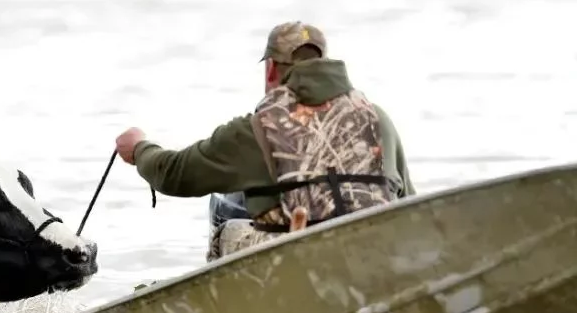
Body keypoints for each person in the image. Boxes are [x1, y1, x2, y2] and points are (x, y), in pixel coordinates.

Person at [114, 22, 416, 262]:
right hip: (379, 255)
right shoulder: (377, 118)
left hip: (302, 265)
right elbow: (409, 204)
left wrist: (139, 148)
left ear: (271, 68)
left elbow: (174, 174)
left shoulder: (258, 129)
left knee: (228, 229)